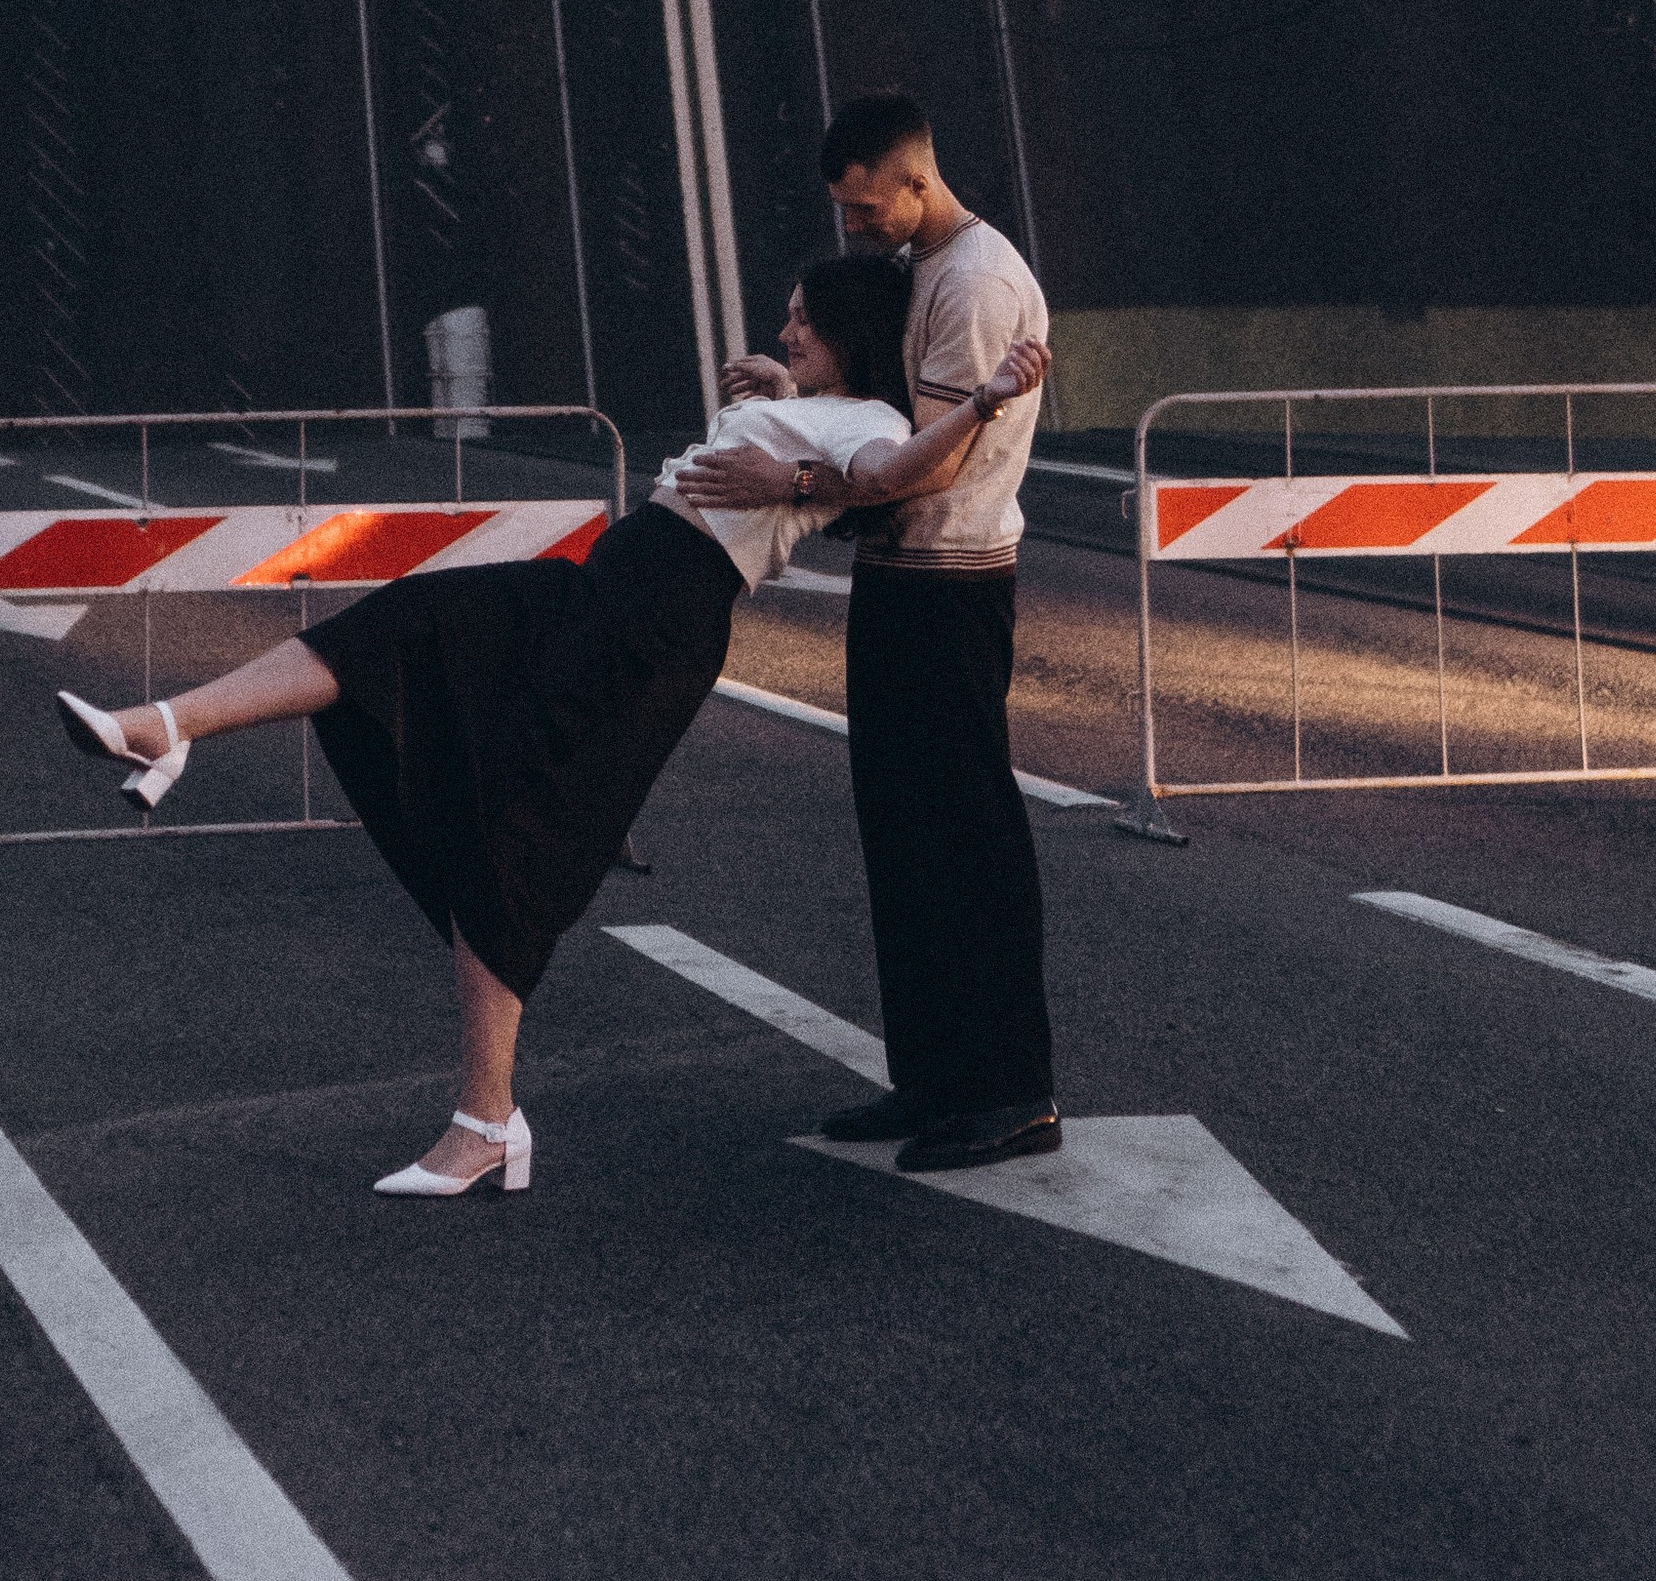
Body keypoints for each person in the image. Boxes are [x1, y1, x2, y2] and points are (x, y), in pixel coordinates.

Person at [53, 253, 1049, 1200]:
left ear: (847, 330)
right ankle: (166, 726)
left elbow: (892, 469)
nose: (785, 324)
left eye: (802, 315)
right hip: (608, 590)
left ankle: (485, 1126)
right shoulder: (816, 407)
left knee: (516, 840)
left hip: (652, 622)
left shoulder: (865, 419)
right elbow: (818, 446)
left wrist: (985, 398)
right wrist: (779, 398)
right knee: (401, 629)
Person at [684, 92, 1058, 1176]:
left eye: (865, 209)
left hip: (953, 584)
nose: (855, 229)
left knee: (967, 840)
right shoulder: (919, 273)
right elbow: (886, 405)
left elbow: (931, 458)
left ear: (915, 180)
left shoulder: (980, 282)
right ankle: (935, 1076)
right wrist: (793, 383)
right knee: (902, 835)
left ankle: (1010, 1090)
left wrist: (787, 477)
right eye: (843, 212)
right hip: (903, 579)